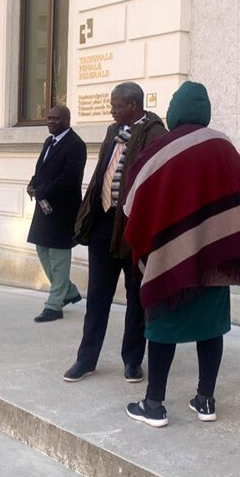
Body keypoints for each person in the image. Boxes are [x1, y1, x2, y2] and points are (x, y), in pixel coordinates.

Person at [119, 81, 240, 427]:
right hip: (215, 258)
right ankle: (205, 400)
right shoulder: (223, 145)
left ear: (175, 112)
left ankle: (154, 404)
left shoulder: (160, 149)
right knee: (211, 329)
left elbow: (134, 199)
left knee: (162, 327)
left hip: (169, 260)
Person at [64, 82, 166, 383]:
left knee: (136, 299)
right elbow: (102, 175)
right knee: (97, 297)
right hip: (103, 227)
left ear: (133, 106)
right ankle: (86, 359)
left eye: (116, 105)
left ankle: (132, 361)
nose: (111, 110)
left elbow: (153, 183)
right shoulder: (113, 133)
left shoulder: (155, 134)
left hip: (132, 229)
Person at [26, 105, 87, 323]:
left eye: (56, 118)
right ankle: (68, 290)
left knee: (59, 256)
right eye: (49, 117)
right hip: (43, 207)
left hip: (63, 210)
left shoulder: (76, 145)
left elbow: (69, 179)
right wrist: (33, 184)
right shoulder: (49, 142)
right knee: (42, 248)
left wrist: (42, 189)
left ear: (67, 120)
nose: (50, 121)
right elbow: (41, 170)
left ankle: (54, 305)